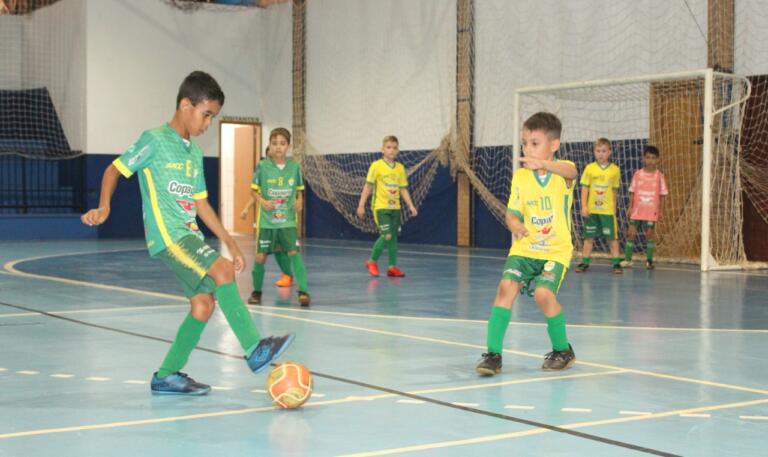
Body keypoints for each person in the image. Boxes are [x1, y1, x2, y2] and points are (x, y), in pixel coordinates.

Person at [81, 71, 293, 395]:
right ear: (185, 105)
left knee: (203, 306)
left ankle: (166, 375)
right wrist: (105, 206)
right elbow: (114, 169)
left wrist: (231, 242)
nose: (208, 123)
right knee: (222, 272)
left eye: (213, 116)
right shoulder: (154, 140)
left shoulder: (193, 154)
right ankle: (254, 349)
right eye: (206, 114)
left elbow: (201, 205)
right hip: (169, 237)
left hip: (189, 236)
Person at [476, 112, 577, 376]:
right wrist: (513, 223)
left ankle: (563, 350)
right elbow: (513, 211)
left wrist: (545, 163)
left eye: (535, 143)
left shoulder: (562, 172)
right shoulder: (520, 177)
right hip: (525, 247)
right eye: (524, 143)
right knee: (505, 288)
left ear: (553, 145)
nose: (527, 150)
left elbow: (572, 171)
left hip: (555, 250)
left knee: (544, 295)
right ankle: (493, 355)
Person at [247, 127, 310, 306]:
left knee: (294, 253)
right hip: (267, 222)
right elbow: (253, 190)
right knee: (260, 257)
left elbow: (299, 191)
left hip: (287, 221)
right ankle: (256, 292)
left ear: (288, 147)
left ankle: (303, 291)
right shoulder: (262, 166)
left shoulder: (294, 167)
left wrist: (300, 201)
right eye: (274, 143)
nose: (278, 147)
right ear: (269, 145)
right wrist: (261, 201)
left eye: (282, 144)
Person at [356, 135, 418, 277]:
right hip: (380, 208)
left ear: (398, 151)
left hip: (395, 208)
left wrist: (411, 205)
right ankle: (372, 261)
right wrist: (361, 205)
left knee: (393, 237)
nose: (391, 150)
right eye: (388, 147)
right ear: (382, 150)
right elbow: (368, 186)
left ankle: (392, 267)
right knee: (387, 235)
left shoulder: (400, 168)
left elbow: (403, 188)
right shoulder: (376, 166)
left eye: (394, 148)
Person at [240, 146, 294, 288]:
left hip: (283, 219)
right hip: (266, 221)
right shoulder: (263, 171)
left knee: (282, 250)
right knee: (262, 253)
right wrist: (246, 209)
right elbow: (255, 194)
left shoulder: (286, 171)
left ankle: (287, 275)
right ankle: (257, 289)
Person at [575, 138, 623, 274]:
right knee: (588, 237)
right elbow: (585, 188)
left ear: (609, 152)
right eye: (598, 151)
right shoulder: (589, 169)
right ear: (594, 152)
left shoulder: (615, 170)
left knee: (612, 238)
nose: (600, 154)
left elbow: (614, 190)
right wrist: (584, 206)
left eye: (604, 151)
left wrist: (614, 207)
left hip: (607, 211)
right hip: (592, 210)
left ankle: (616, 263)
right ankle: (584, 262)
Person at [622, 145, 668, 270]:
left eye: (653, 158)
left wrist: (661, 210)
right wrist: (630, 207)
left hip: (651, 210)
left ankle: (649, 261)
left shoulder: (659, 176)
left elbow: (662, 194)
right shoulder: (638, 174)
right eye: (648, 158)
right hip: (637, 210)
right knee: (631, 233)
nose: (651, 161)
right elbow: (632, 191)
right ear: (644, 158)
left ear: (658, 159)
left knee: (650, 235)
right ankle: (627, 260)